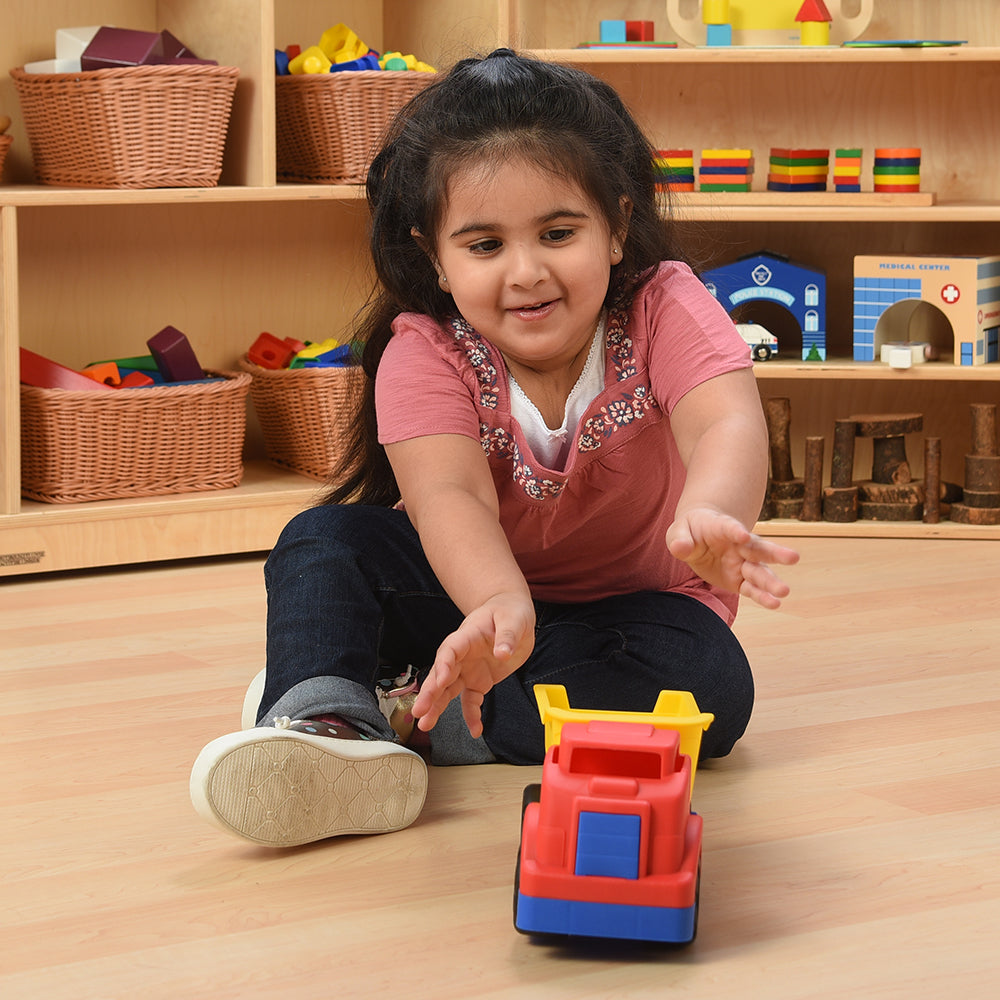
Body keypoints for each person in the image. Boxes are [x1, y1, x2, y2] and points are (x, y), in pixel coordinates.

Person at [190, 49, 799, 848]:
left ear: (616, 227)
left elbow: (722, 420)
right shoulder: (423, 352)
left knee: (712, 688)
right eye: (484, 246)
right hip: (472, 599)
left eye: (557, 232)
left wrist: (709, 510)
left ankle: (410, 718)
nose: (526, 272)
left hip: (630, 615)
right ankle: (325, 725)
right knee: (324, 540)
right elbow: (451, 499)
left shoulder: (664, 306)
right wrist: (500, 606)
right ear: (434, 260)